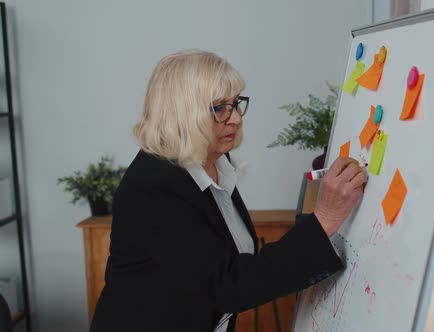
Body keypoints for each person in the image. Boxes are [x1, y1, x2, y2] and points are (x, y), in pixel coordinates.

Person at [90, 49, 367, 332]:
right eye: (219, 107)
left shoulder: (215, 161)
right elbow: (228, 285)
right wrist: (325, 218)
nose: (235, 117)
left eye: (235, 103)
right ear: (181, 114)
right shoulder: (153, 187)